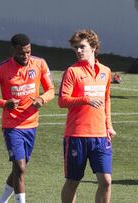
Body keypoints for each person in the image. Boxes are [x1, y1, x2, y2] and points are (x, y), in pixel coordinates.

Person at [0, 33, 54, 203]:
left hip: (32, 124)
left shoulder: (39, 63)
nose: (25, 56)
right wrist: (4, 103)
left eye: (28, 52)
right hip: (12, 126)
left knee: (20, 168)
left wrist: (42, 99)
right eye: (21, 53)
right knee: (20, 167)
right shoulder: (2, 69)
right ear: (13, 51)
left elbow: (51, 90)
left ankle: (1, 201)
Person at [58, 29, 116, 203]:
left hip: (100, 136)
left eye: (82, 47)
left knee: (106, 181)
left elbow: (106, 100)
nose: (78, 51)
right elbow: (63, 101)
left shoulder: (105, 71)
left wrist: (109, 125)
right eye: (76, 47)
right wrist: (85, 99)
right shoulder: (72, 72)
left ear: (94, 47)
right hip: (76, 135)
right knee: (73, 182)